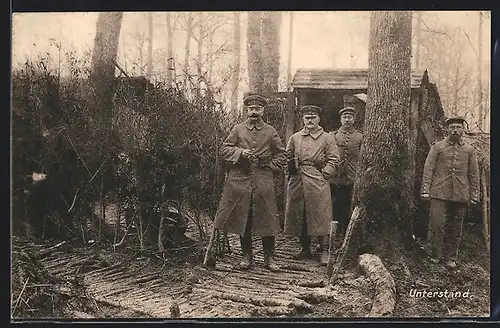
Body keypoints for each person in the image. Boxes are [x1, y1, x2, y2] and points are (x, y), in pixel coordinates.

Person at [214, 94, 286, 272]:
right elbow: (224, 149)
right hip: (241, 178)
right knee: (243, 216)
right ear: (247, 111)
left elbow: (282, 154)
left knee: (267, 217)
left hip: (263, 179)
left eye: (258, 109)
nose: (254, 112)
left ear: (263, 110)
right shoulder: (238, 129)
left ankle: (269, 258)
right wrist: (240, 153)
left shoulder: (270, 131)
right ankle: (247, 257)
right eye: (251, 109)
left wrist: (270, 165)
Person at [420, 116, 480, 269]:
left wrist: (474, 195)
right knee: (436, 224)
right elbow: (429, 169)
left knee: (456, 227)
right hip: (439, 191)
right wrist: (426, 190)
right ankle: (434, 255)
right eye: (452, 127)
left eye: (458, 127)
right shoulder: (437, 147)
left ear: (463, 129)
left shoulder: (469, 150)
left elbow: (474, 174)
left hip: (460, 193)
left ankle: (451, 257)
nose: (455, 130)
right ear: (447, 129)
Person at [284, 105, 340, 265]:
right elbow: (287, 156)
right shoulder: (295, 137)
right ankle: (305, 247)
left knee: (321, 214)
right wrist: (289, 164)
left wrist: (324, 174)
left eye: (313, 117)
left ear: (318, 119)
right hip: (297, 180)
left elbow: (334, 159)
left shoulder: (327, 138)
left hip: (317, 179)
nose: (310, 120)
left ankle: (324, 250)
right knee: (299, 213)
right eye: (307, 117)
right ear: (302, 119)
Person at [329, 106, 363, 234]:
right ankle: (334, 234)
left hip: (353, 178)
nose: (347, 120)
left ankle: (348, 233)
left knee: (350, 205)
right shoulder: (333, 135)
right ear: (340, 120)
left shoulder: (360, 137)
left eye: (350, 117)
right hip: (336, 178)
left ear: (354, 119)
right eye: (344, 117)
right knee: (335, 205)